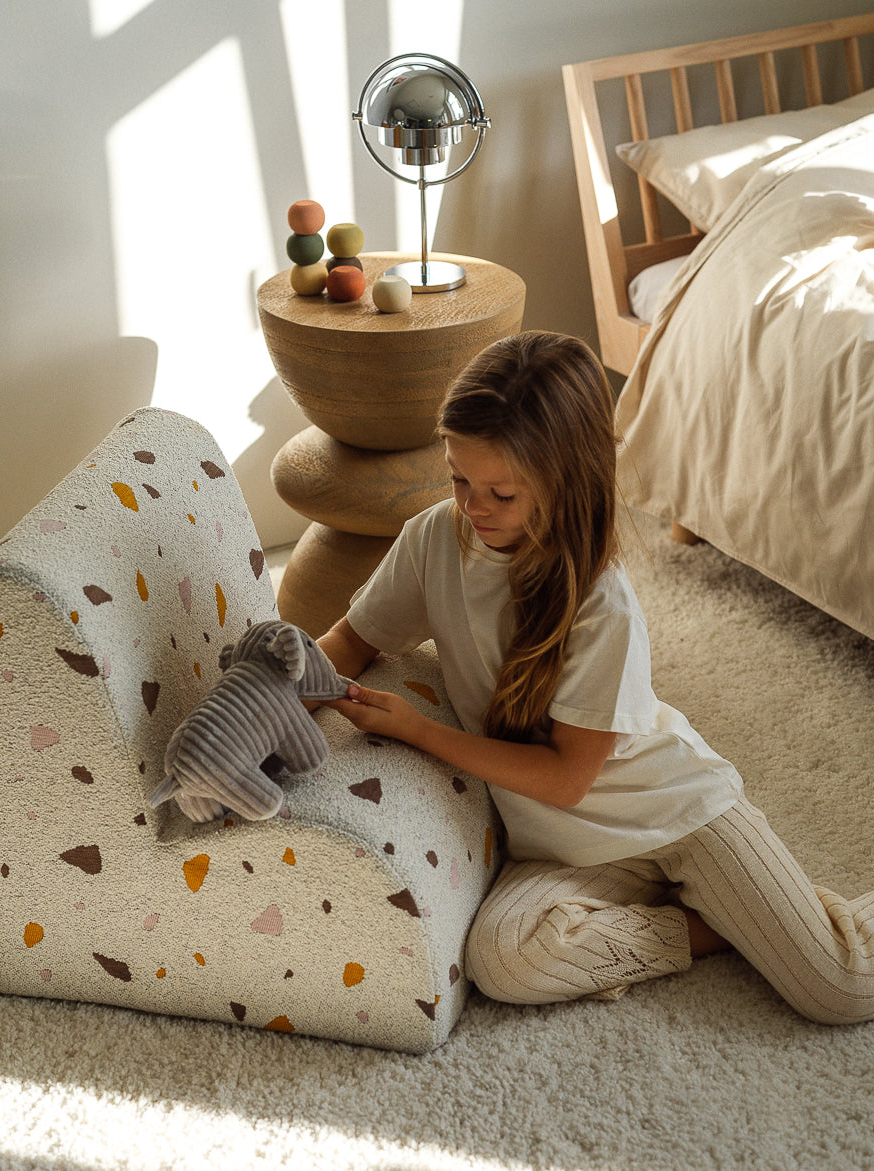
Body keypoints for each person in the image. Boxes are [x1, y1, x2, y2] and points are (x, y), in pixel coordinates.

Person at [317, 330, 874, 1024]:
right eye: (458, 477)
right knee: (504, 958)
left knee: (841, 989)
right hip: (564, 848)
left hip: (674, 813)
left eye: (500, 492)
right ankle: (720, 925)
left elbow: (566, 778)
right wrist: (282, 687)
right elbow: (350, 639)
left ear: (560, 480)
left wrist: (421, 732)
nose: (471, 505)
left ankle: (765, 911)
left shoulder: (601, 603)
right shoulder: (434, 540)